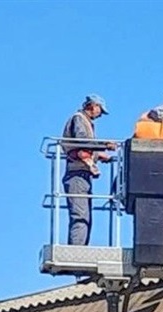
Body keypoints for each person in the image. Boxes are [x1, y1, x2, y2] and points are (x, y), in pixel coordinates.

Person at [61, 95, 113, 246]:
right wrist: (103, 145)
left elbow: (85, 148)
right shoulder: (79, 119)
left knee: (86, 217)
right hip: (76, 174)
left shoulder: (86, 122)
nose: (100, 114)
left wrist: (99, 156)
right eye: (100, 110)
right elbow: (82, 142)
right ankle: (76, 249)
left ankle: (80, 247)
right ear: (93, 106)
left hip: (83, 175)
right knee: (80, 216)